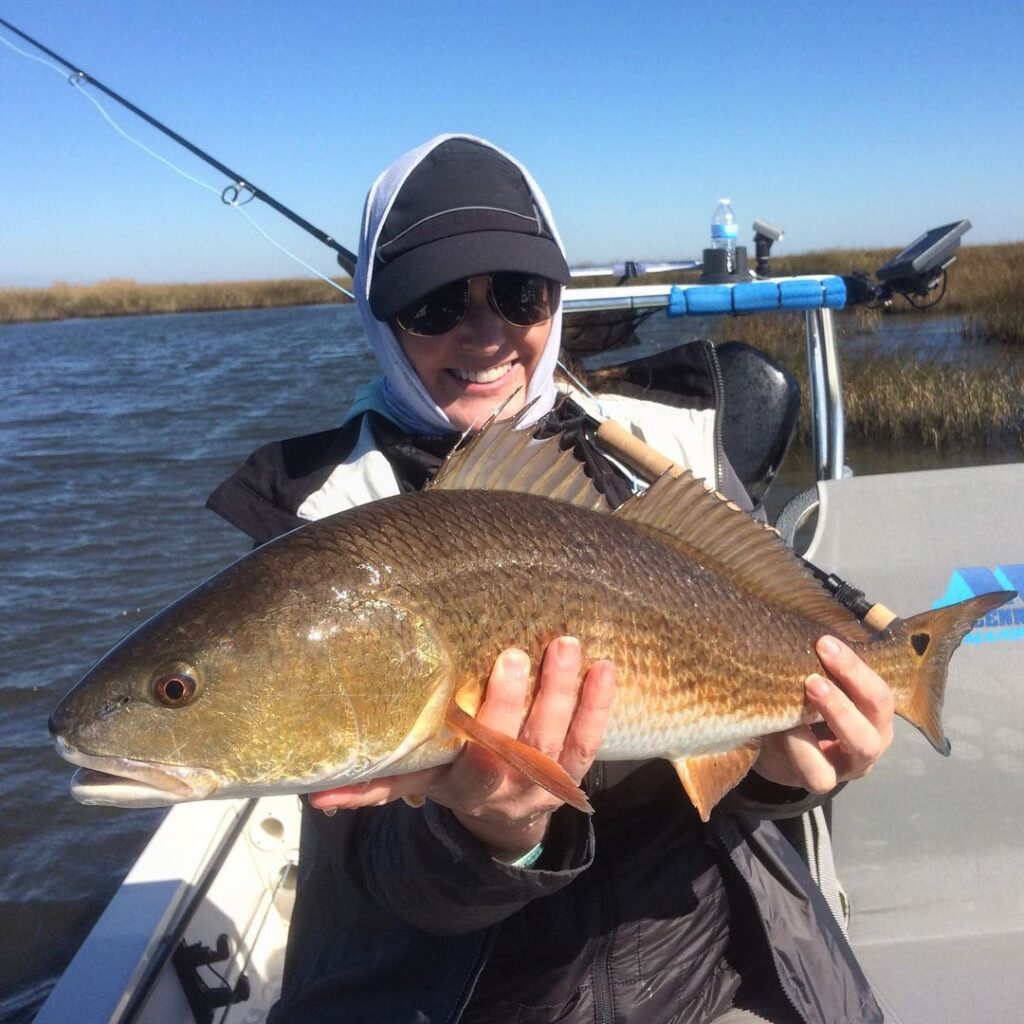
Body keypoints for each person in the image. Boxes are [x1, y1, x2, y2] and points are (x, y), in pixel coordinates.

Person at [207, 135, 895, 1024]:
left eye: (521, 294)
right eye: (436, 302)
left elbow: (735, 725)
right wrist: (495, 834)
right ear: (380, 318)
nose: (487, 332)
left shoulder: (674, 447)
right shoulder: (318, 524)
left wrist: (797, 768)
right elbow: (372, 879)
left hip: (711, 967)